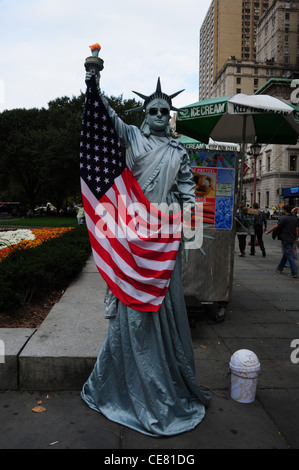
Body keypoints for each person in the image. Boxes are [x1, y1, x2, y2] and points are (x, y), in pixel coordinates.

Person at [81, 68, 210, 437]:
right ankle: (125, 383)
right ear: (144, 114)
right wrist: (94, 85)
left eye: (163, 111)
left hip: (165, 239)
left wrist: (190, 227)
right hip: (132, 235)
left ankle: (166, 375)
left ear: (169, 117)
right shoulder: (132, 137)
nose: (158, 116)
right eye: (152, 110)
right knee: (132, 312)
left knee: (166, 307)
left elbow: (188, 192)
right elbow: (106, 116)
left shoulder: (179, 151)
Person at [266, 204, 299, 278]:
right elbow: (297, 229)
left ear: (284, 210)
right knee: (286, 254)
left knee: (289, 255)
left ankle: (294, 272)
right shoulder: (295, 218)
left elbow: (276, 226)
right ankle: (279, 268)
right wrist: (296, 238)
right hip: (292, 238)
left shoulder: (283, 218)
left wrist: (269, 231)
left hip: (285, 238)